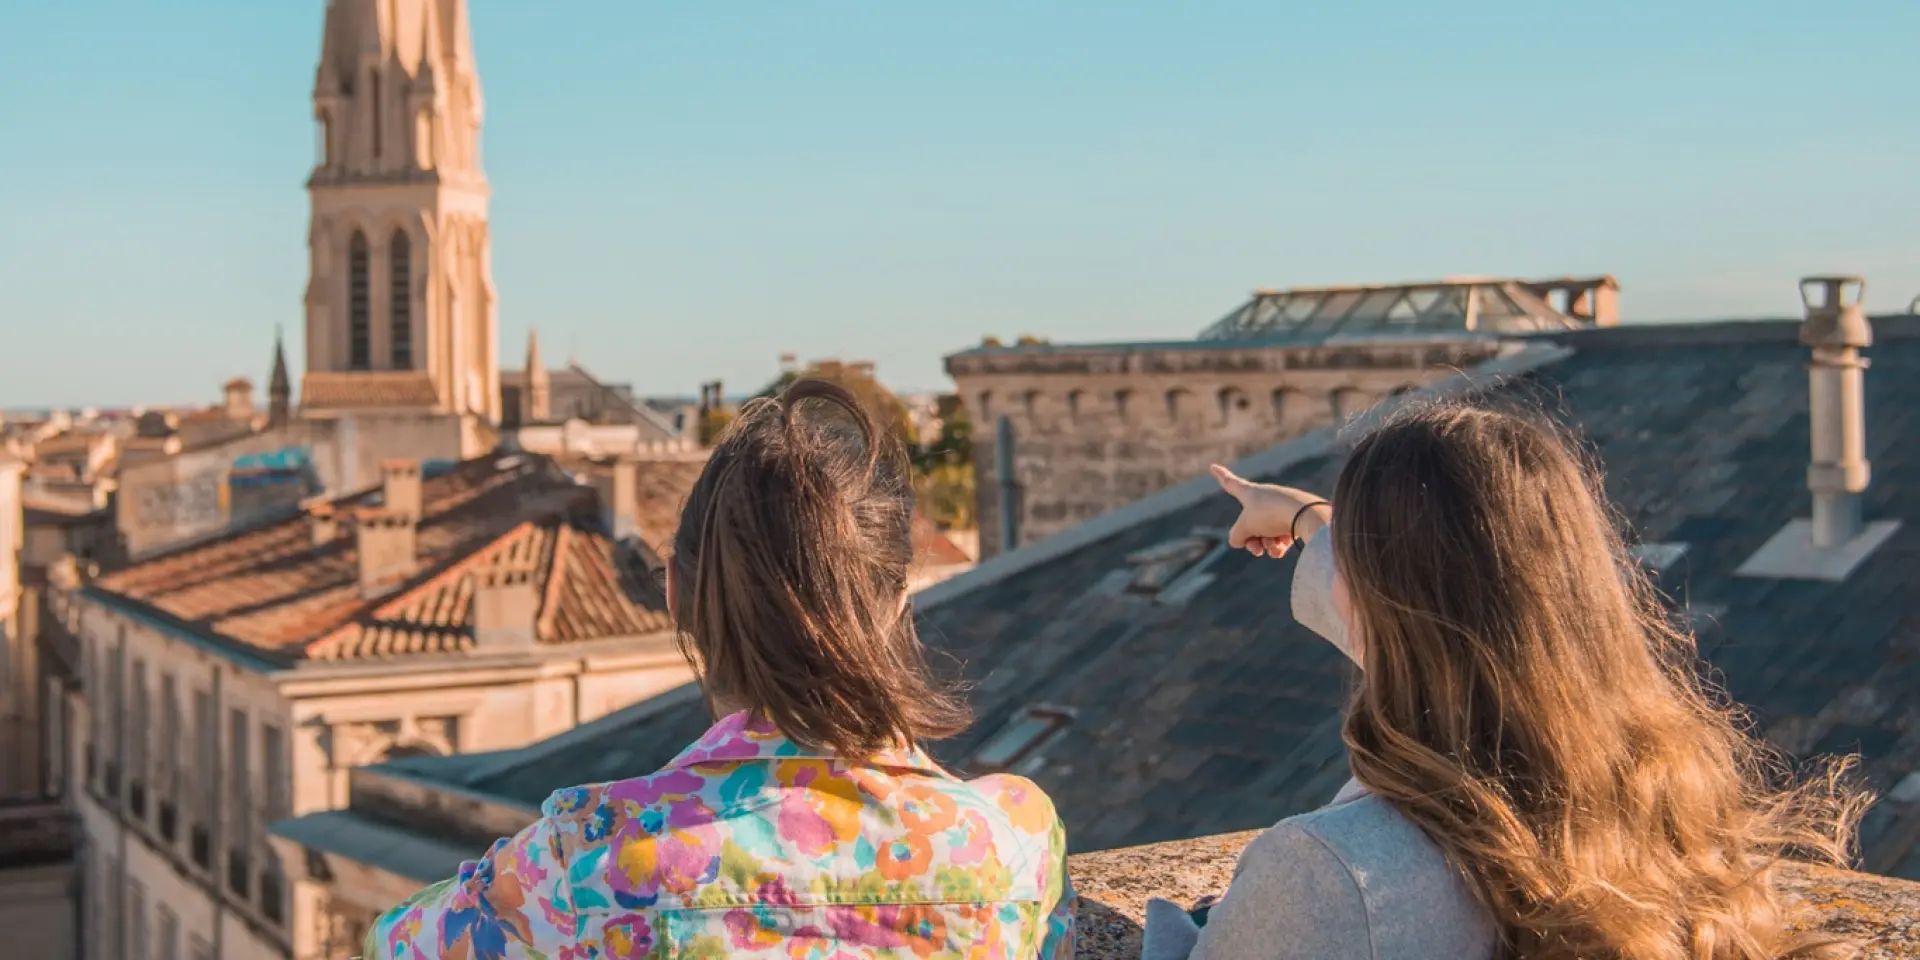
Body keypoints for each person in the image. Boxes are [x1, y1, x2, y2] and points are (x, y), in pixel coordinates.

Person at [366, 379, 1075, 959]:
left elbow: (392, 943)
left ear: (674, 592)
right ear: (897, 600)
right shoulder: (1008, 845)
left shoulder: (577, 860)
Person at [1143, 404, 1866, 960]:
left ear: (1368, 593)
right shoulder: (1662, 798)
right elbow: (1463, 617)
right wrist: (1309, 519)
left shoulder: (1328, 869)